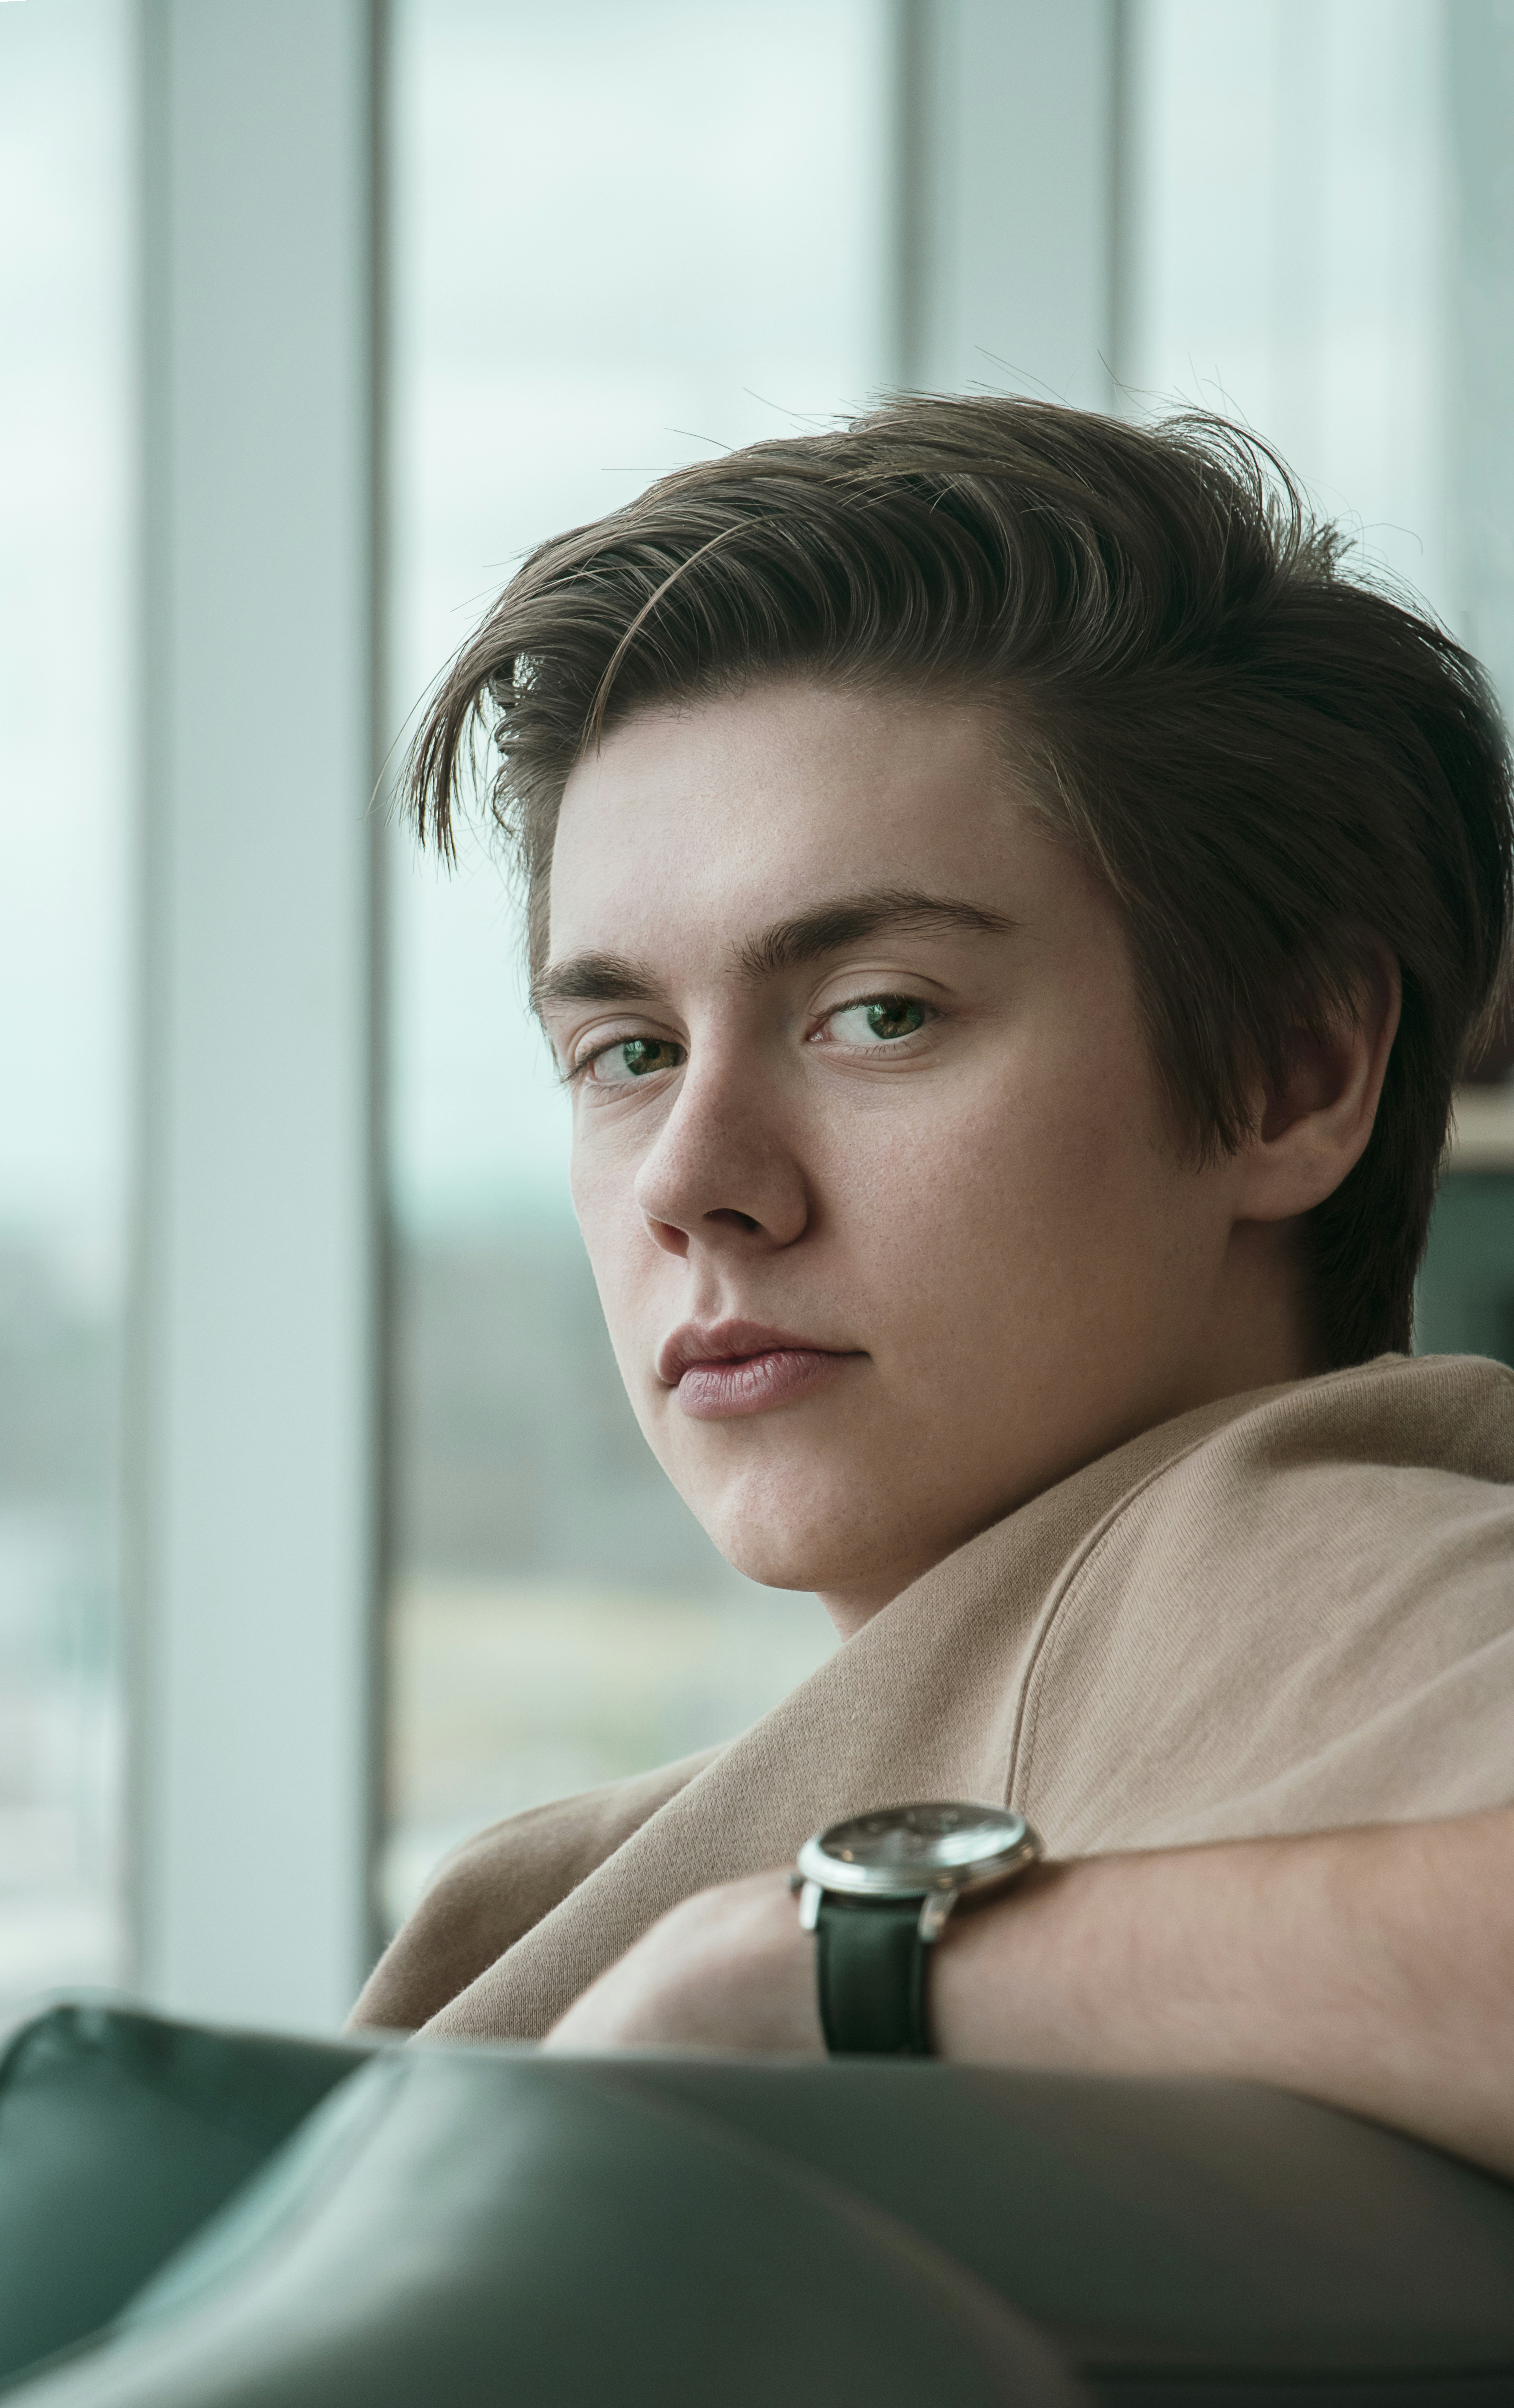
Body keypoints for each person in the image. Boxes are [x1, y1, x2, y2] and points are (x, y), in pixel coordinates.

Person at [353, 397, 1514, 2172]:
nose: (691, 1186)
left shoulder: (1308, 1576)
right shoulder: (583, 1885)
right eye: (627, 1051)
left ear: (1292, 1075)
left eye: (878, 1013)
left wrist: (825, 1977)